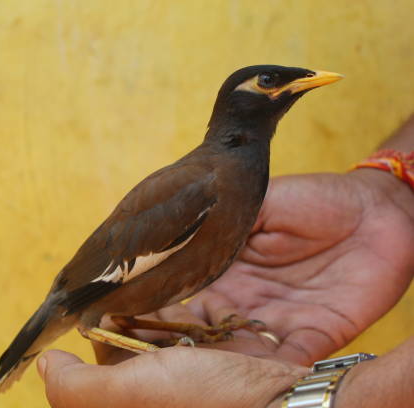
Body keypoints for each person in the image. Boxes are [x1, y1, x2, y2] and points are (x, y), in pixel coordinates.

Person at [37, 115, 414, 408]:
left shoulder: (232, 178)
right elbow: (99, 286)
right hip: (87, 293)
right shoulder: (199, 184)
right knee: (94, 321)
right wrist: (387, 192)